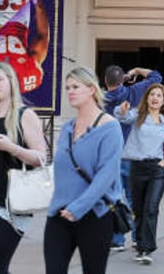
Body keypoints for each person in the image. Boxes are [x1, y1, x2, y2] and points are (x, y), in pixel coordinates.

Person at [0, 61, 48, 274]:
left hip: (12, 205)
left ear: (11, 82)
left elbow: (41, 158)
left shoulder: (25, 115)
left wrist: (12, 148)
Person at [45, 66, 123, 274]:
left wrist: (78, 208)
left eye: (76, 87)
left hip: (94, 214)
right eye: (67, 87)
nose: (70, 91)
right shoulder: (68, 128)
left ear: (91, 90)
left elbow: (106, 176)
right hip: (60, 213)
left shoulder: (110, 127)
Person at [114, 84, 164, 265]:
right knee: (139, 210)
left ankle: (147, 248)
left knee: (151, 208)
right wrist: (121, 109)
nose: (155, 98)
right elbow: (120, 116)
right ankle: (140, 245)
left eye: (159, 95)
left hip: (157, 169)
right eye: (152, 94)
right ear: (147, 98)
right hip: (137, 167)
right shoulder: (137, 116)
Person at [103, 64, 163, 252]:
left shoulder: (101, 99)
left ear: (106, 81)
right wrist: (136, 71)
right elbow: (156, 77)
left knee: (113, 196)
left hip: (109, 154)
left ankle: (117, 237)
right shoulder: (135, 91)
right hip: (132, 153)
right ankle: (138, 238)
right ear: (123, 79)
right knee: (135, 197)